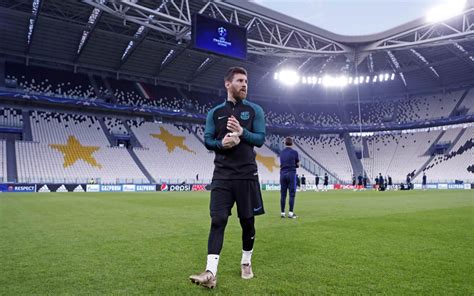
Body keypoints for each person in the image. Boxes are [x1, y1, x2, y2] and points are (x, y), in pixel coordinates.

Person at [189, 67, 266, 288]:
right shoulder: (215, 113)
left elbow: (260, 139)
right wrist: (221, 144)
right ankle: (210, 273)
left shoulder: (255, 111)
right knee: (218, 220)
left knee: (247, 222)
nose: (244, 85)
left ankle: (246, 262)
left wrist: (243, 134)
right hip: (222, 175)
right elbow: (208, 140)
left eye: (246, 81)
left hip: (246, 175)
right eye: (240, 81)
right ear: (227, 84)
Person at [279, 137, 299, 219]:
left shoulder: (281, 153)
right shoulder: (295, 152)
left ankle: (282, 213)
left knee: (283, 194)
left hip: (282, 174)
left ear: (285, 143)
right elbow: (298, 164)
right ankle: (290, 213)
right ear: (292, 143)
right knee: (292, 194)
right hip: (291, 173)